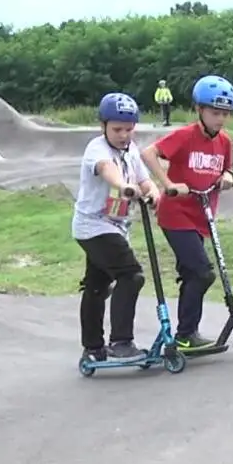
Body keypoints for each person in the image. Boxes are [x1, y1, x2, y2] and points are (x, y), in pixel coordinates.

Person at [140, 75, 233, 351]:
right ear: (200, 110)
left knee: (191, 275)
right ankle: (186, 334)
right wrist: (168, 184)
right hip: (176, 215)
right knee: (203, 272)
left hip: (202, 217)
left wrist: (228, 178)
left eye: (225, 114)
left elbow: (227, 170)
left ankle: (186, 334)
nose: (220, 119)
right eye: (215, 113)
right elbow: (148, 153)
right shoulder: (185, 136)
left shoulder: (225, 142)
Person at [74, 92, 162, 364]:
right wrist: (122, 186)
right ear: (103, 126)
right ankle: (121, 342)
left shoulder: (132, 151)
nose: (124, 135)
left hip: (115, 226)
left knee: (97, 286)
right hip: (94, 226)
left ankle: (93, 348)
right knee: (131, 275)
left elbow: (144, 180)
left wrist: (153, 192)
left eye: (129, 129)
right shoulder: (97, 148)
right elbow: (106, 169)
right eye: (117, 129)